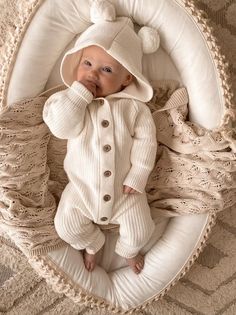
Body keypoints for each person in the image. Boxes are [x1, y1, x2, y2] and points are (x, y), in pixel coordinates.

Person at [43, 16, 159, 274]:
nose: (93, 73)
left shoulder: (134, 108)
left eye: (106, 70)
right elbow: (61, 128)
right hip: (81, 191)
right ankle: (93, 243)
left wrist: (138, 174)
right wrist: (78, 96)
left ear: (127, 79)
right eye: (87, 63)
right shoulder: (68, 101)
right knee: (66, 227)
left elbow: (146, 142)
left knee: (141, 230)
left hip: (126, 193)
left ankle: (128, 250)